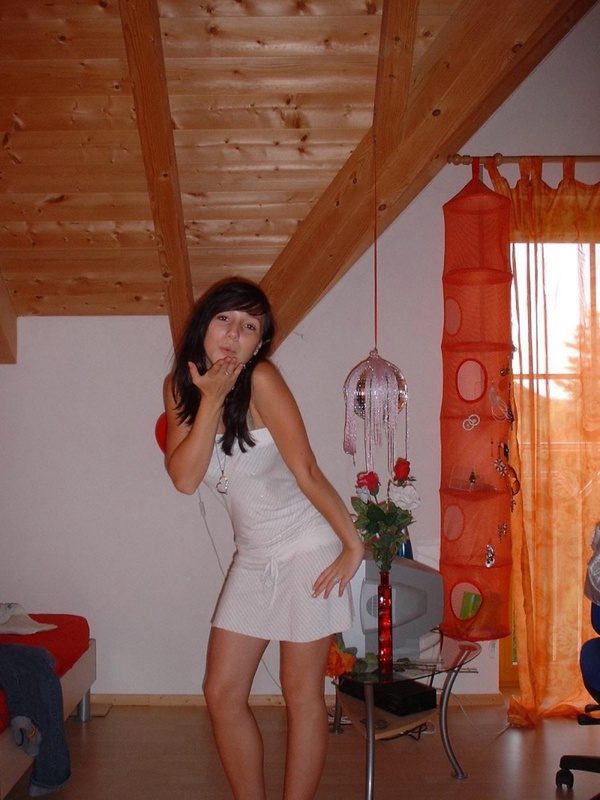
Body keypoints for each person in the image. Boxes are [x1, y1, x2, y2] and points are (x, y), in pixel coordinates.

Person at [163, 278, 364, 800]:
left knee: (301, 693)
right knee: (221, 692)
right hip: (255, 557)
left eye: (249, 327)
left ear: (259, 344)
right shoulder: (180, 388)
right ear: (204, 325)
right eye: (225, 319)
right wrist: (211, 401)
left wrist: (353, 544)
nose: (234, 334)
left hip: (307, 546)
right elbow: (185, 478)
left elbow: (307, 470)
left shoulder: (263, 381)